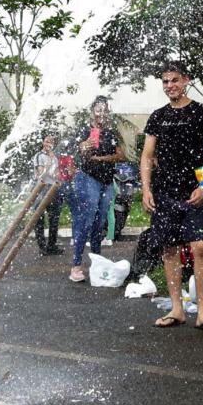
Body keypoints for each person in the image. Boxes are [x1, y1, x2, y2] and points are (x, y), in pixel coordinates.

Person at [141, 63, 203, 333]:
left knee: (201, 247)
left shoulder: (202, 113)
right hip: (165, 192)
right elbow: (146, 156)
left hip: (194, 192)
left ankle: (202, 312)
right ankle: (176, 309)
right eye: (165, 82)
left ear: (186, 81)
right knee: (169, 249)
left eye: (174, 80)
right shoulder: (157, 117)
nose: (169, 86)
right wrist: (146, 189)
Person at [69, 96, 125, 282]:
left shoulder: (111, 132)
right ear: (92, 111)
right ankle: (76, 266)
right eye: (98, 109)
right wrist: (85, 146)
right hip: (88, 179)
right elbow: (78, 151)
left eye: (104, 110)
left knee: (100, 223)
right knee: (86, 220)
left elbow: (121, 155)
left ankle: (97, 262)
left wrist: (101, 159)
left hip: (107, 181)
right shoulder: (84, 129)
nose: (101, 113)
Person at [31, 133, 64, 255]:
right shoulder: (39, 156)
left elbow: (56, 174)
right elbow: (43, 174)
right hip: (41, 190)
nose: (49, 144)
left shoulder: (54, 157)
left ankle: (52, 245)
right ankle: (42, 246)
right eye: (47, 141)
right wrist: (50, 160)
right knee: (39, 218)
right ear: (43, 143)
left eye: (51, 142)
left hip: (53, 190)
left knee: (54, 218)